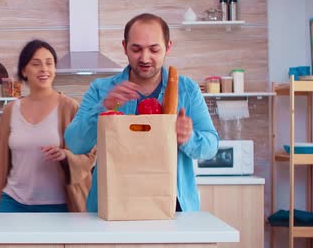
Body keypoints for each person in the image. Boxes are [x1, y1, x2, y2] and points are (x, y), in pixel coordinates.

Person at [63, 13, 219, 212]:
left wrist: (187, 138)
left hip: (172, 207)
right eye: (136, 49)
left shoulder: (187, 90)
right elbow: (75, 144)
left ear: (168, 47)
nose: (145, 58)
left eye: (154, 49)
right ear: (124, 47)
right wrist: (105, 107)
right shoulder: (101, 90)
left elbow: (211, 145)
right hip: (114, 204)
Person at [0, 40, 96, 212]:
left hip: (59, 206)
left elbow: (89, 157)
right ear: (24, 71)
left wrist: (66, 156)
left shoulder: (70, 107)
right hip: (12, 202)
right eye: (36, 64)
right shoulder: (11, 110)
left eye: (49, 63)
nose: (44, 69)